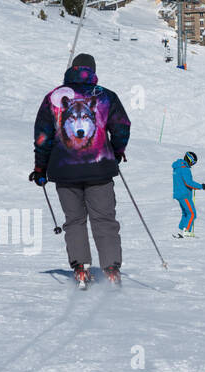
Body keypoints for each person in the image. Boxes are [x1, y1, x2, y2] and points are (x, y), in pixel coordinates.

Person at [31, 53, 131, 286]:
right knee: (104, 219)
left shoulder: (53, 98)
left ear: (71, 69)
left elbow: (42, 136)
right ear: (93, 70)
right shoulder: (106, 96)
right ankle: (111, 268)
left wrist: (40, 167)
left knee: (74, 220)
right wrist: (115, 152)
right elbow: (122, 127)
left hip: (64, 171)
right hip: (100, 169)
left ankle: (81, 267)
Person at [172, 150, 205, 237]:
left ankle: (181, 230)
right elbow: (188, 183)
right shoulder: (184, 169)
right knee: (192, 213)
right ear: (189, 159)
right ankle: (186, 231)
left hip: (179, 193)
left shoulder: (178, 167)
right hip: (184, 194)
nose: (192, 165)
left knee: (186, 213)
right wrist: (200, 186)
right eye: (193, 163)